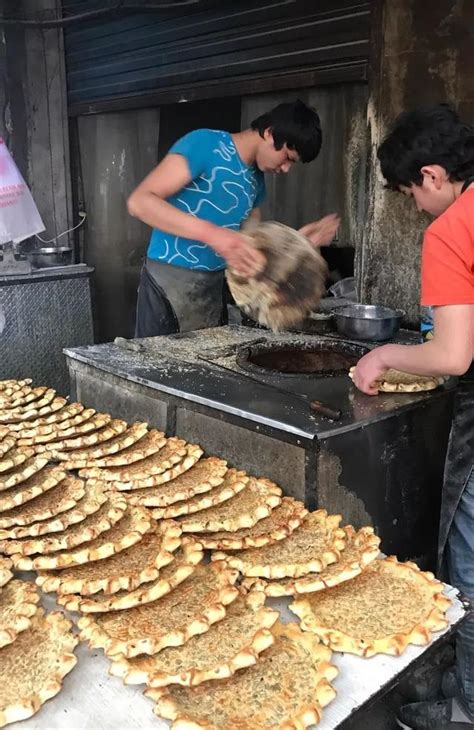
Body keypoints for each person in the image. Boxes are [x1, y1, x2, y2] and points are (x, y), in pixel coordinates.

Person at [352, 104, 474, 729]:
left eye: (409, 195)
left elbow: (453, 355)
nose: (417, 209)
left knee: (472, 563)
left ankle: (465, 710)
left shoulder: (454, 227)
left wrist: (386, 354)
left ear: (432, 175)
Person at [127, 99, 339, 337]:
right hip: (168, 283)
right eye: (287, 157)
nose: (286, 169)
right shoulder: (205, 144)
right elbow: (140, 202)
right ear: (270, 133)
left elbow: (251, 245)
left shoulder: (255, 180)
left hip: (212, 288)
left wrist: (296, 244)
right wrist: (212, 234)